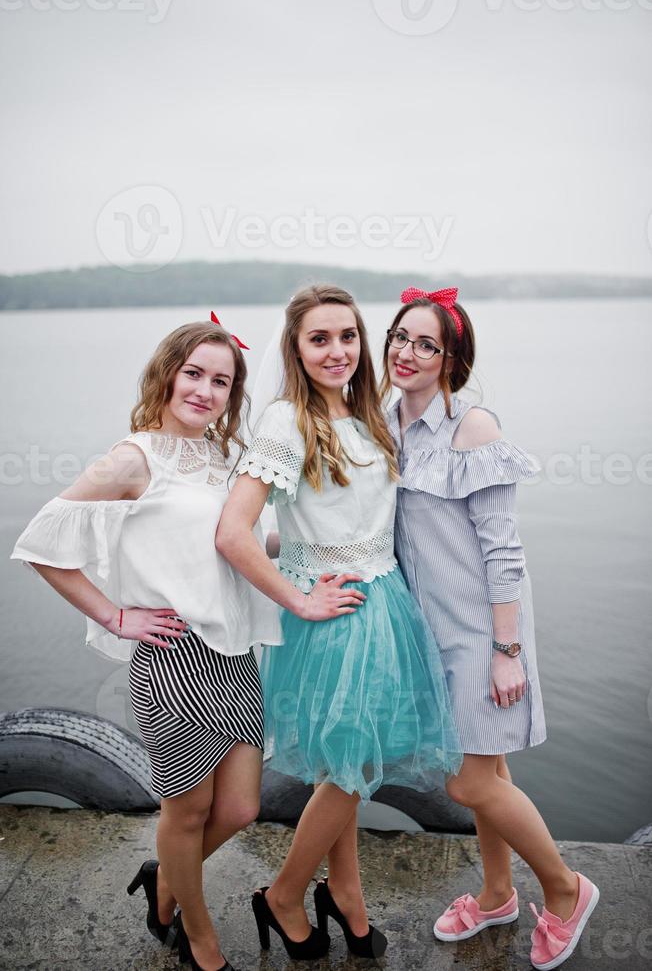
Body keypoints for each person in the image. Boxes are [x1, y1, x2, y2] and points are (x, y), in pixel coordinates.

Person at [11, 319, 282, 971]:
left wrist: (320, 540)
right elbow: (42, 541)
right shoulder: (136, 457)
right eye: (195, 373)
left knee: (242, 807)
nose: (205, 390)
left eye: (221, 381)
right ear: (168, 373)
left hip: (235, 656)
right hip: (172, 658)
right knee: (186, 812)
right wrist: (114, 614)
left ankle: (163, 882)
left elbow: (253, 540)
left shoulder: (226, 457)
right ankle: (196, 934)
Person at [216, 284, 462, 962]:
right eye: (319, 339)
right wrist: (298, 598)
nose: (337, 351)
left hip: (383, 603)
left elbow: (326, 520)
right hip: (332, 615)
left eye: (348, 336)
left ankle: (346, 893)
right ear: (296, 348)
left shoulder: (365, 415)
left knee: (346, 763)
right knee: (351, 770)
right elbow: (234, 533)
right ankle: (286, 893)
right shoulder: (284, 421)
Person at [382, 286, 600, 971]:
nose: (407, 352)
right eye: (400, 336)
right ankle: (499, 893)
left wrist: (507, 653)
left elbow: (504, 551)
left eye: (426, 344)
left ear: (451, 360)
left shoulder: (472, 428)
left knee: (468, 784)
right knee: (488, 768)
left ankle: (567, 889)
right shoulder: (386, 422)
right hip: (429, 629)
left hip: (483, 632)